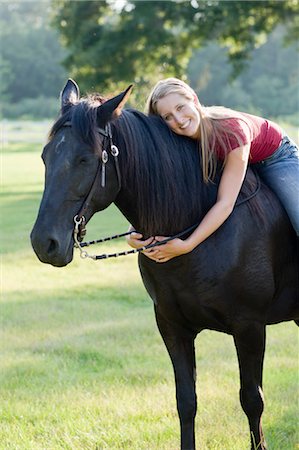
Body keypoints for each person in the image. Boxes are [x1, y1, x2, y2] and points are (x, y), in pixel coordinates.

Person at [127, 78, 299, 263]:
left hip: (276, 156)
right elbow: (165, 189)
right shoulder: (177, 139)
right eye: (167, 117)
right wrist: (135, 231)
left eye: (180, 107)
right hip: (231, 159)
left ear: (193, 99)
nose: (178, 120)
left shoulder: (232, 130)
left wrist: (187, 245)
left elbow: (225, 203)